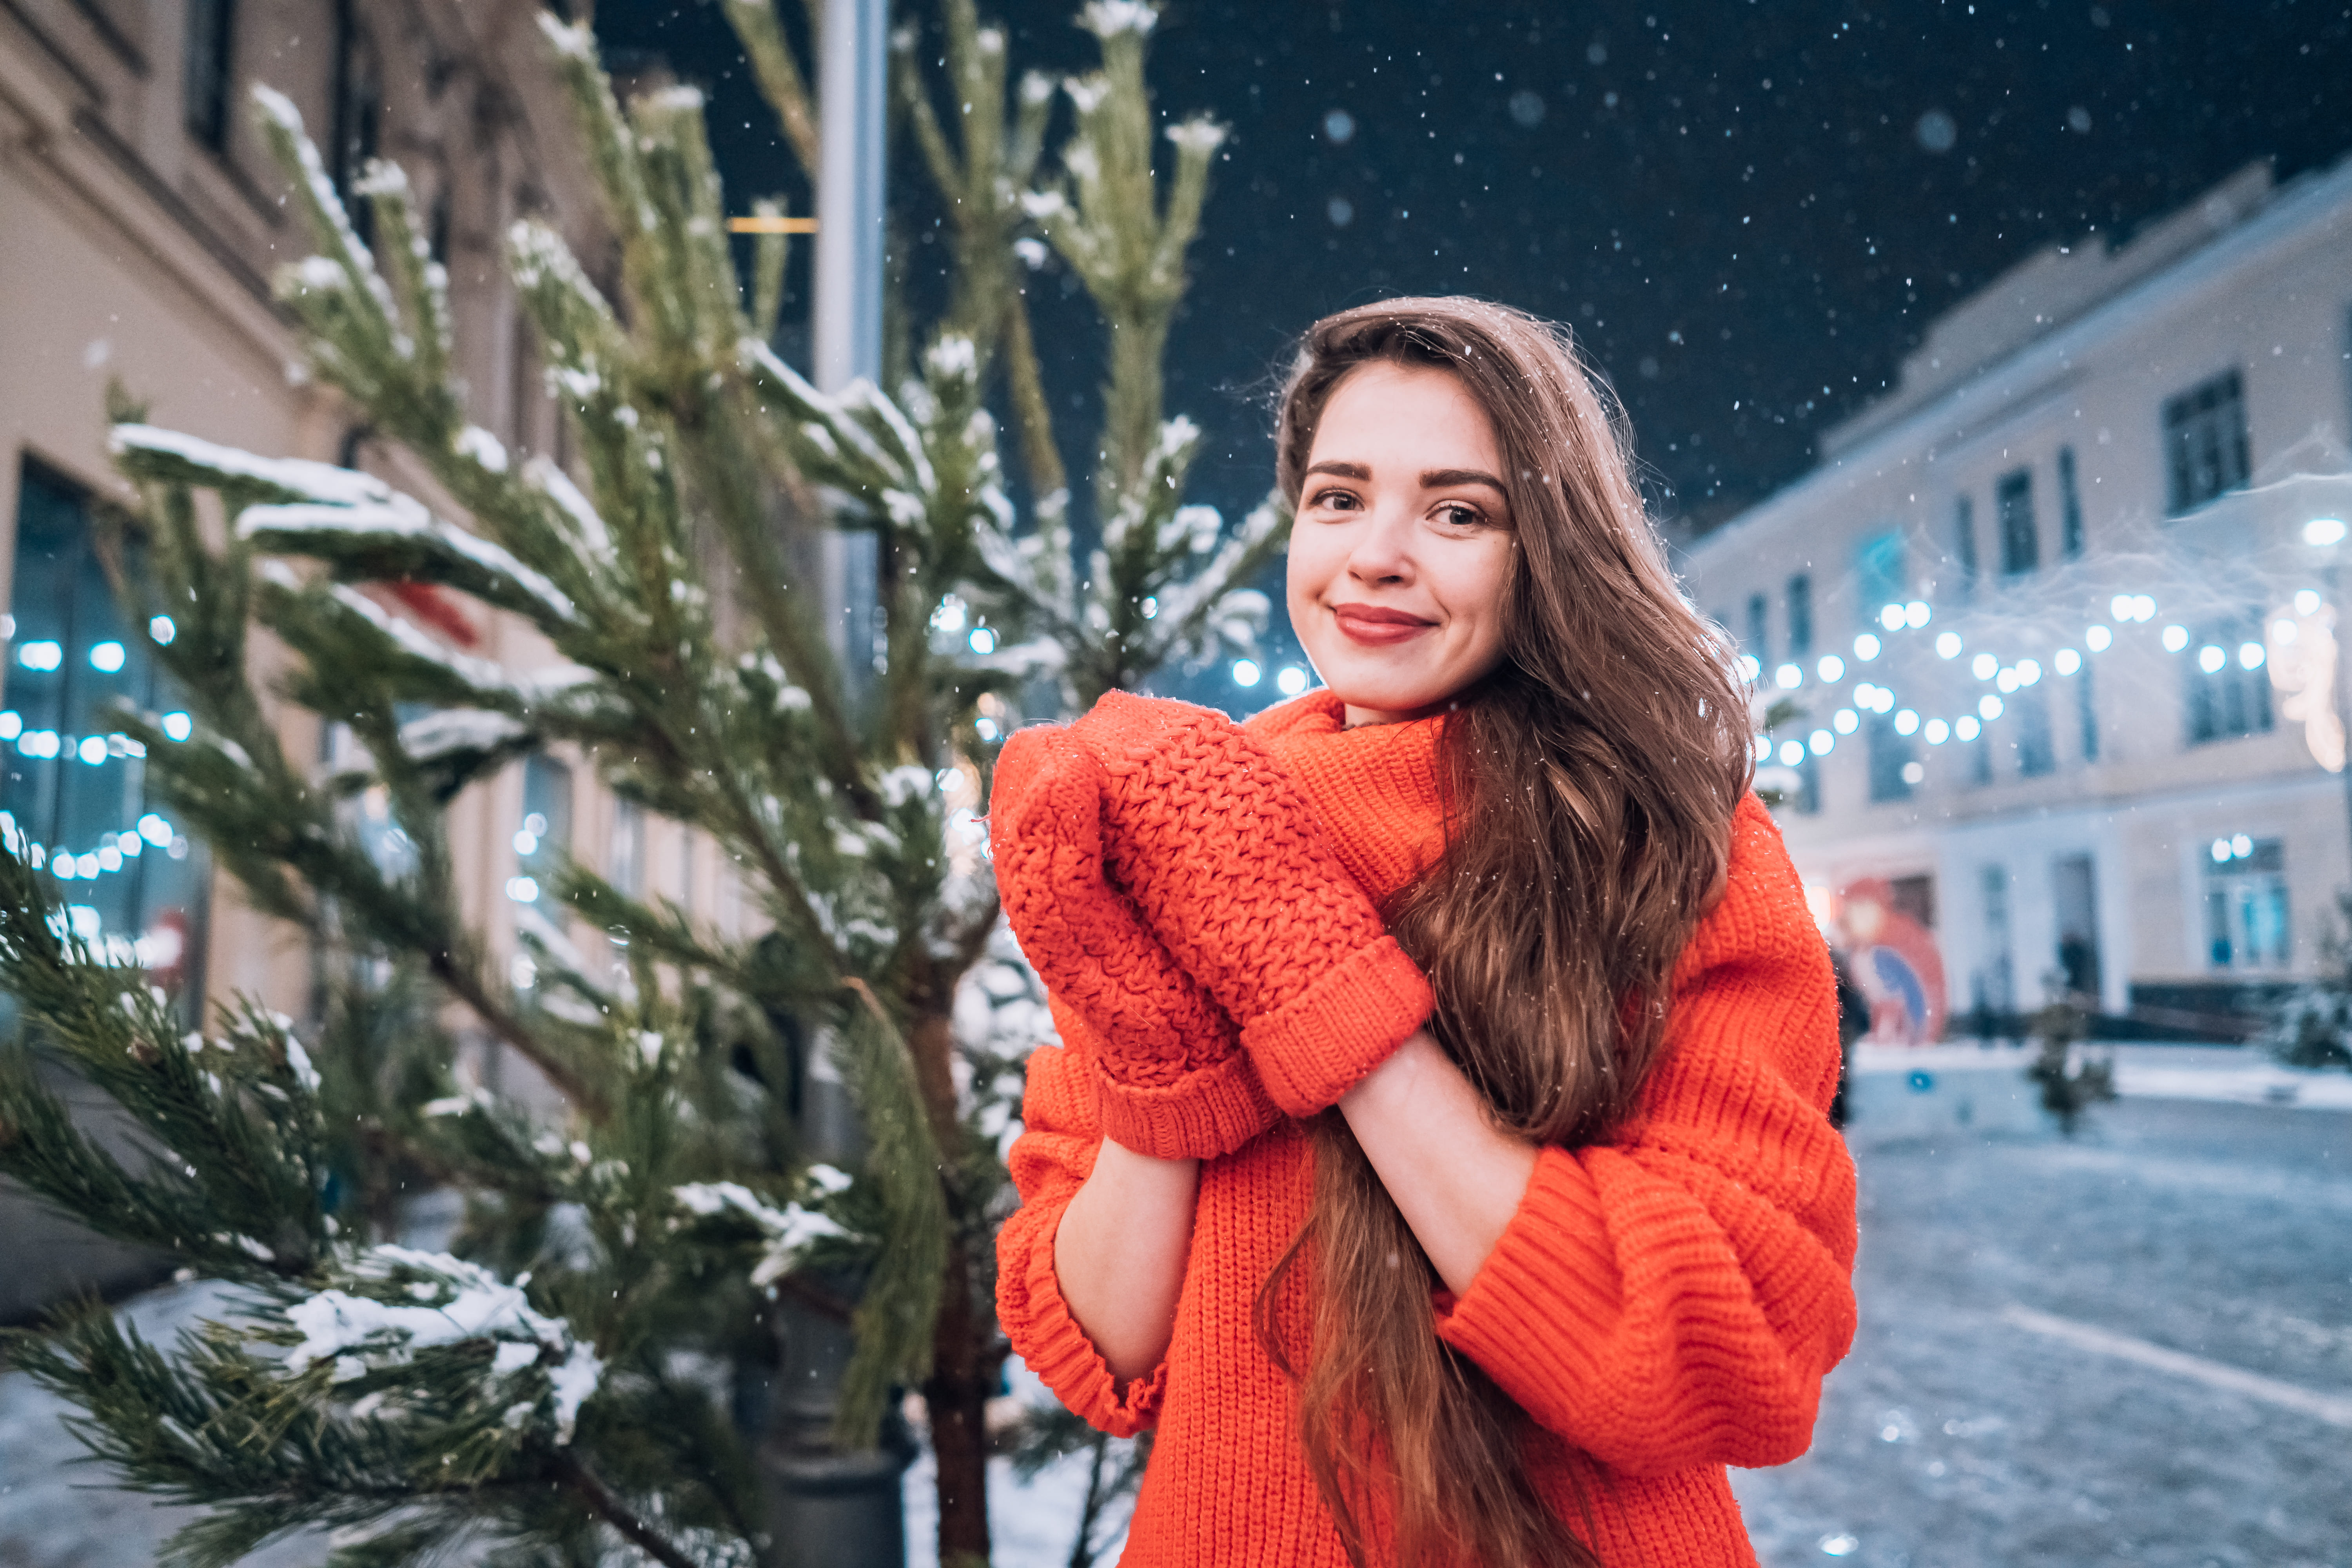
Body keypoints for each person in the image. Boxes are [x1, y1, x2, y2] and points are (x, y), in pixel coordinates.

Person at [989, 298, 1857, 1568]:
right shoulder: (1183, 819)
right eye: (1338, 498)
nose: (1375, 556)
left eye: (1458, 512)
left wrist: (1331, 1004)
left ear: (1547, 550)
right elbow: (1101, 1348)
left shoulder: (1669, 848)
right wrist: (1161, 1058)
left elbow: (1725, 1360)